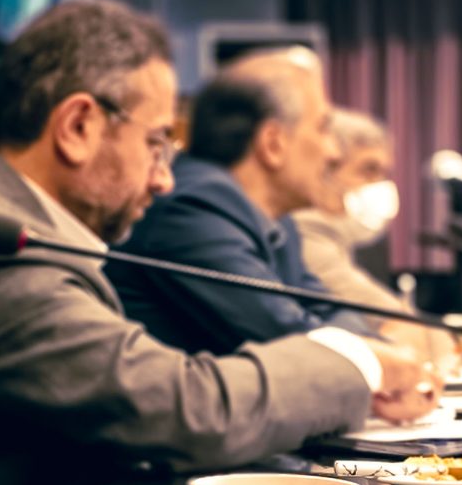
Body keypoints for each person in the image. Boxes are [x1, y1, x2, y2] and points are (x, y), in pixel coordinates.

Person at [0, 0, 432, 485]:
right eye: (157, 143)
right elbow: (188, 411)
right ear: (78, 128)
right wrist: (358, 362)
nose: (163, 178)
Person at [109, 53, 395, 361]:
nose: (333, 152)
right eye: (323, 128)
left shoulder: (276, 220)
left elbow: (331, 310)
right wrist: (379, 356)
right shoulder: (192, 211)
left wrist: (369, 347)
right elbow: (296, 344)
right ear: (273, 143)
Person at [291, 108, 460, 372]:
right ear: (325, 167)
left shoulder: (339, 238)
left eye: (383, 173)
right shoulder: (305, 228)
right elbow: (389, 317)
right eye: (367, 170)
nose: (378, 183)